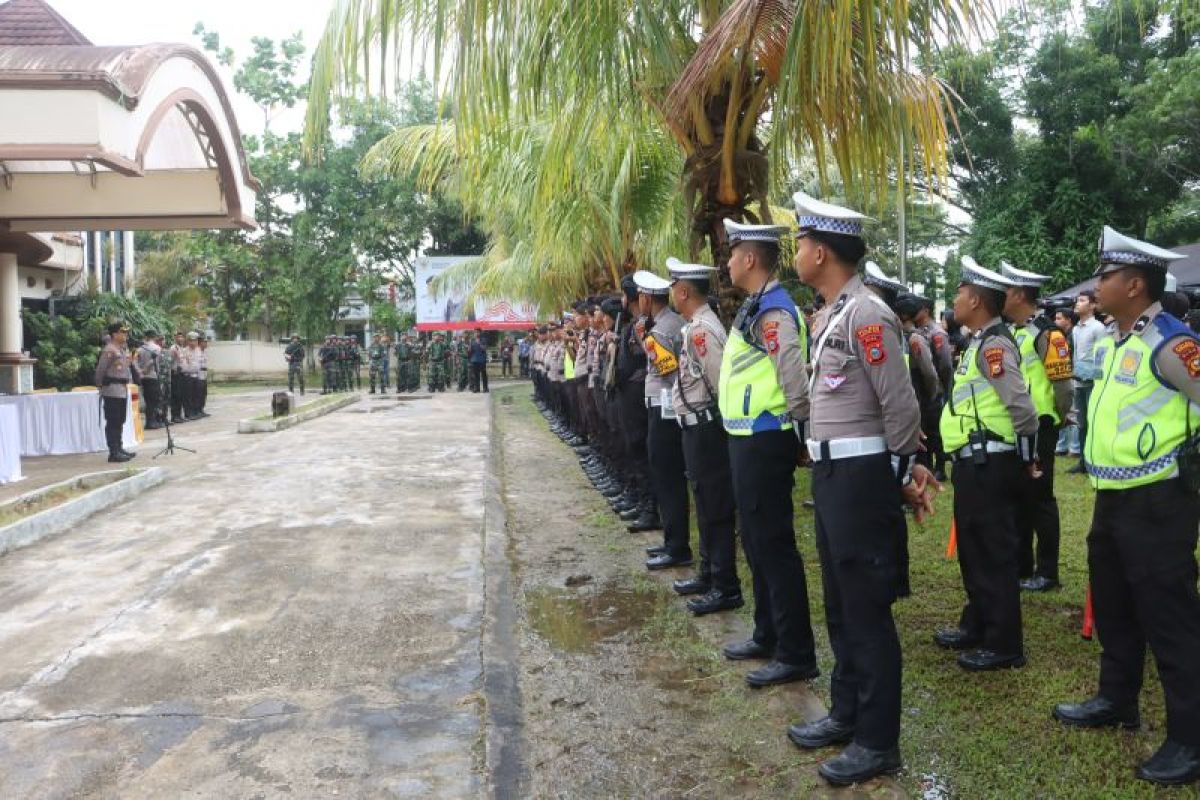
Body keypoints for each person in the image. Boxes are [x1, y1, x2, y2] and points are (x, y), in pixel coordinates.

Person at [785, 191, 935, 786]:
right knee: (841, 604)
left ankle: (878, 741)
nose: (795, 252)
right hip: (831, 476)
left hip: (860, 480)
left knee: (866, 611)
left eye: (799, 243)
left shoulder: (867, 314)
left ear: (820, 252)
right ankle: (846, 713)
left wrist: (899, 474)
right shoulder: (832, 314)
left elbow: (900, 404)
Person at [1052, 227, 1200, 787]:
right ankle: (1117, 699)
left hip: (1160, 502)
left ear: (1134, 284)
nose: (1096, 286)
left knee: (1172, 619)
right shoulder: (1121, 339)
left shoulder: (1172, 341)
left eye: (1105, 277)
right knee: (1114, 605)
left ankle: (1191, 738)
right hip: (1113, 499)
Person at [717, 218, 818, 689]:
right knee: (756, 541)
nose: (729, 261)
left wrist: (800, 438)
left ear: (751, 259)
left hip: (766, 438)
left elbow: (794, 381)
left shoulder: (773, 311)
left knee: (774, 546)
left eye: (734, 253)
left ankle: (795, 652)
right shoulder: (755, 307)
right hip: (747, 438)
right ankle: (767, 632)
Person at [935, 257, 1040, 672]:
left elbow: (1023, 409)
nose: (955, 300)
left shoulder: (994, 345)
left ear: (976, 299)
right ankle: (977, 623)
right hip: (973, 464)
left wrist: (1028, 459)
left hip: (990, 464)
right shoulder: (978, 342)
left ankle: (1003, 642)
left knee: (992, 553)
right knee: (975, 551)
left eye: (960, 292)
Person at [663, 258, 742, 615]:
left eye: (673, 286)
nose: (671, 293)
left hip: (707, 428)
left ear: (683, 292)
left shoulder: (702, 331)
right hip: (696, 429)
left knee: (715, 508)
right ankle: (709, 574)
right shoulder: (695, 326)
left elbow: (718, 384)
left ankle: (725, 586)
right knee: (706, 506)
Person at [1000, 261, 1074, 593]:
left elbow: (1063, 387)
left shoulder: (1048, 333)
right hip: (1017, 425)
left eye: (1005, 290)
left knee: (1040, 498)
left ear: (1018, 294)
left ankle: (1047, 572)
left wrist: (1056, 419)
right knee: (1017, 496)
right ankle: (1020, 565)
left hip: (1041, 424)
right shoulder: (1012, 332)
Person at [633, 270, 691, 571]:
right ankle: (673, 540)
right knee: (668, 478)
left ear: (646, 298)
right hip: (666, 408)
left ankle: (677, 545)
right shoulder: (670, 323)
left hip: (665, 409)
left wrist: (648, 344)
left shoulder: (661, 329)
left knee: (668, 479)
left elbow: (668, 372)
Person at [1069, 290, 1106, 473]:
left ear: (1092, 305)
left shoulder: (1098, 328)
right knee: (1082, 423)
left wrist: (1091, 375)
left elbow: (1102, 356)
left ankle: (1094, 461)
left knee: (1094, 422)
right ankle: (1083, 461)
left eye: (1082, 300)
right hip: (1078, 381)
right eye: (1077, 300)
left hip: (1092, 382)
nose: (1077, 303)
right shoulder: (1076, 329)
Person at [94, 322, 138, 463]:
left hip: (122, 390)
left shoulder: (121, 349)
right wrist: (100, 385)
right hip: (112, 389)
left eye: (126, 332)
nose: (125, 334)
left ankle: (119, 448)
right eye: (122, 332)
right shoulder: (110, 350)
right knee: (113, 421)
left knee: (120, 421)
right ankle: (113, 452)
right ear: (114, 334)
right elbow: (100, 370)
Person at [1053, 309, 1079, 456]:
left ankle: (1074, 448)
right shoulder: (1060, 335)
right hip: (1065, 375)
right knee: (1062, 411)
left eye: (1059, 318)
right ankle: (1062, 446)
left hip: (1073, 376)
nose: (1056, 321)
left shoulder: (1073, 334)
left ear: (1068, 320)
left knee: (1073, 413)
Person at [135, 331, 164, 430]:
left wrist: (139, 371)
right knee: (153, 400)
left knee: (148, 400)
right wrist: (146, 369)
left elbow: (133, 361)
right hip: (152, 375)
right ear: (154, 337)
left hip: (144, 378)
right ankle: (151, 422)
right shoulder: (156, 348)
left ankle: (151, 421)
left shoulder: (139, 349)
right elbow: (154, 360)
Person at [169, 331, 188, 423]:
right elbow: (170, 361)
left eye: (182, 337)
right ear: (175, 338)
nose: (180, 339)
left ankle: (179, 415)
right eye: (178, 337)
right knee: (176, 395)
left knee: (181, 396)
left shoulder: (182, 349)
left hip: (182, 375)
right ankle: (175, 416)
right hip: (175, 374)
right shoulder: (173, 348)